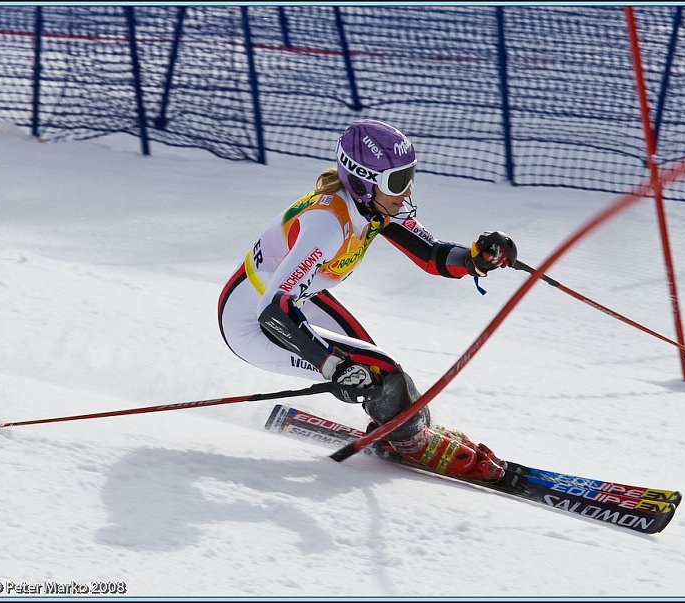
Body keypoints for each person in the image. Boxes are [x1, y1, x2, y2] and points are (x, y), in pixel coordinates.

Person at [218, 119, 517, 482]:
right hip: (252, 321)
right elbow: (271, 311)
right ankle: (413, 442)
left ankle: (402, 430)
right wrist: (331, 366)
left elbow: (431, 255)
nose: (406, 192)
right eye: (396, 181)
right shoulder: (327, 225)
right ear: (362, 180)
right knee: (382, 372)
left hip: (294, 298)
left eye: (409, 176)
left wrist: (475, 259)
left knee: (374, 365)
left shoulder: (375, 207)